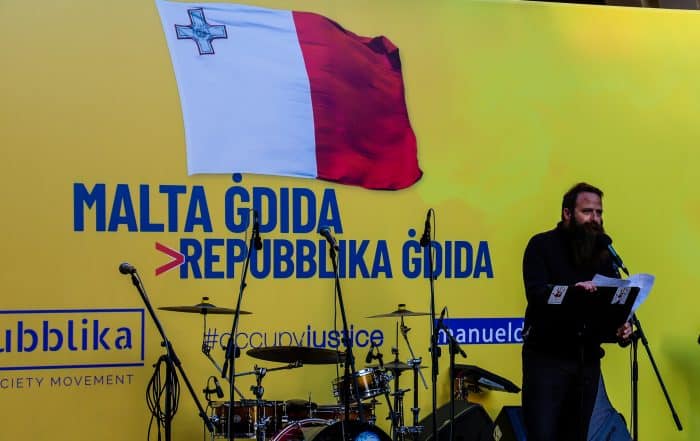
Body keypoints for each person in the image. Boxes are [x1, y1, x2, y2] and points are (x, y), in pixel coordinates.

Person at [521, 182, 632, 441]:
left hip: (586, 364)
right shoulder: (541, 246)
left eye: (599, 212)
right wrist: (572, 292)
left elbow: (606, 313)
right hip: (547, 363)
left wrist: (621, 329)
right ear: (567, 213)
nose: (595, 219)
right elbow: (537, 294)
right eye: (587, 211)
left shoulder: (604, 255)